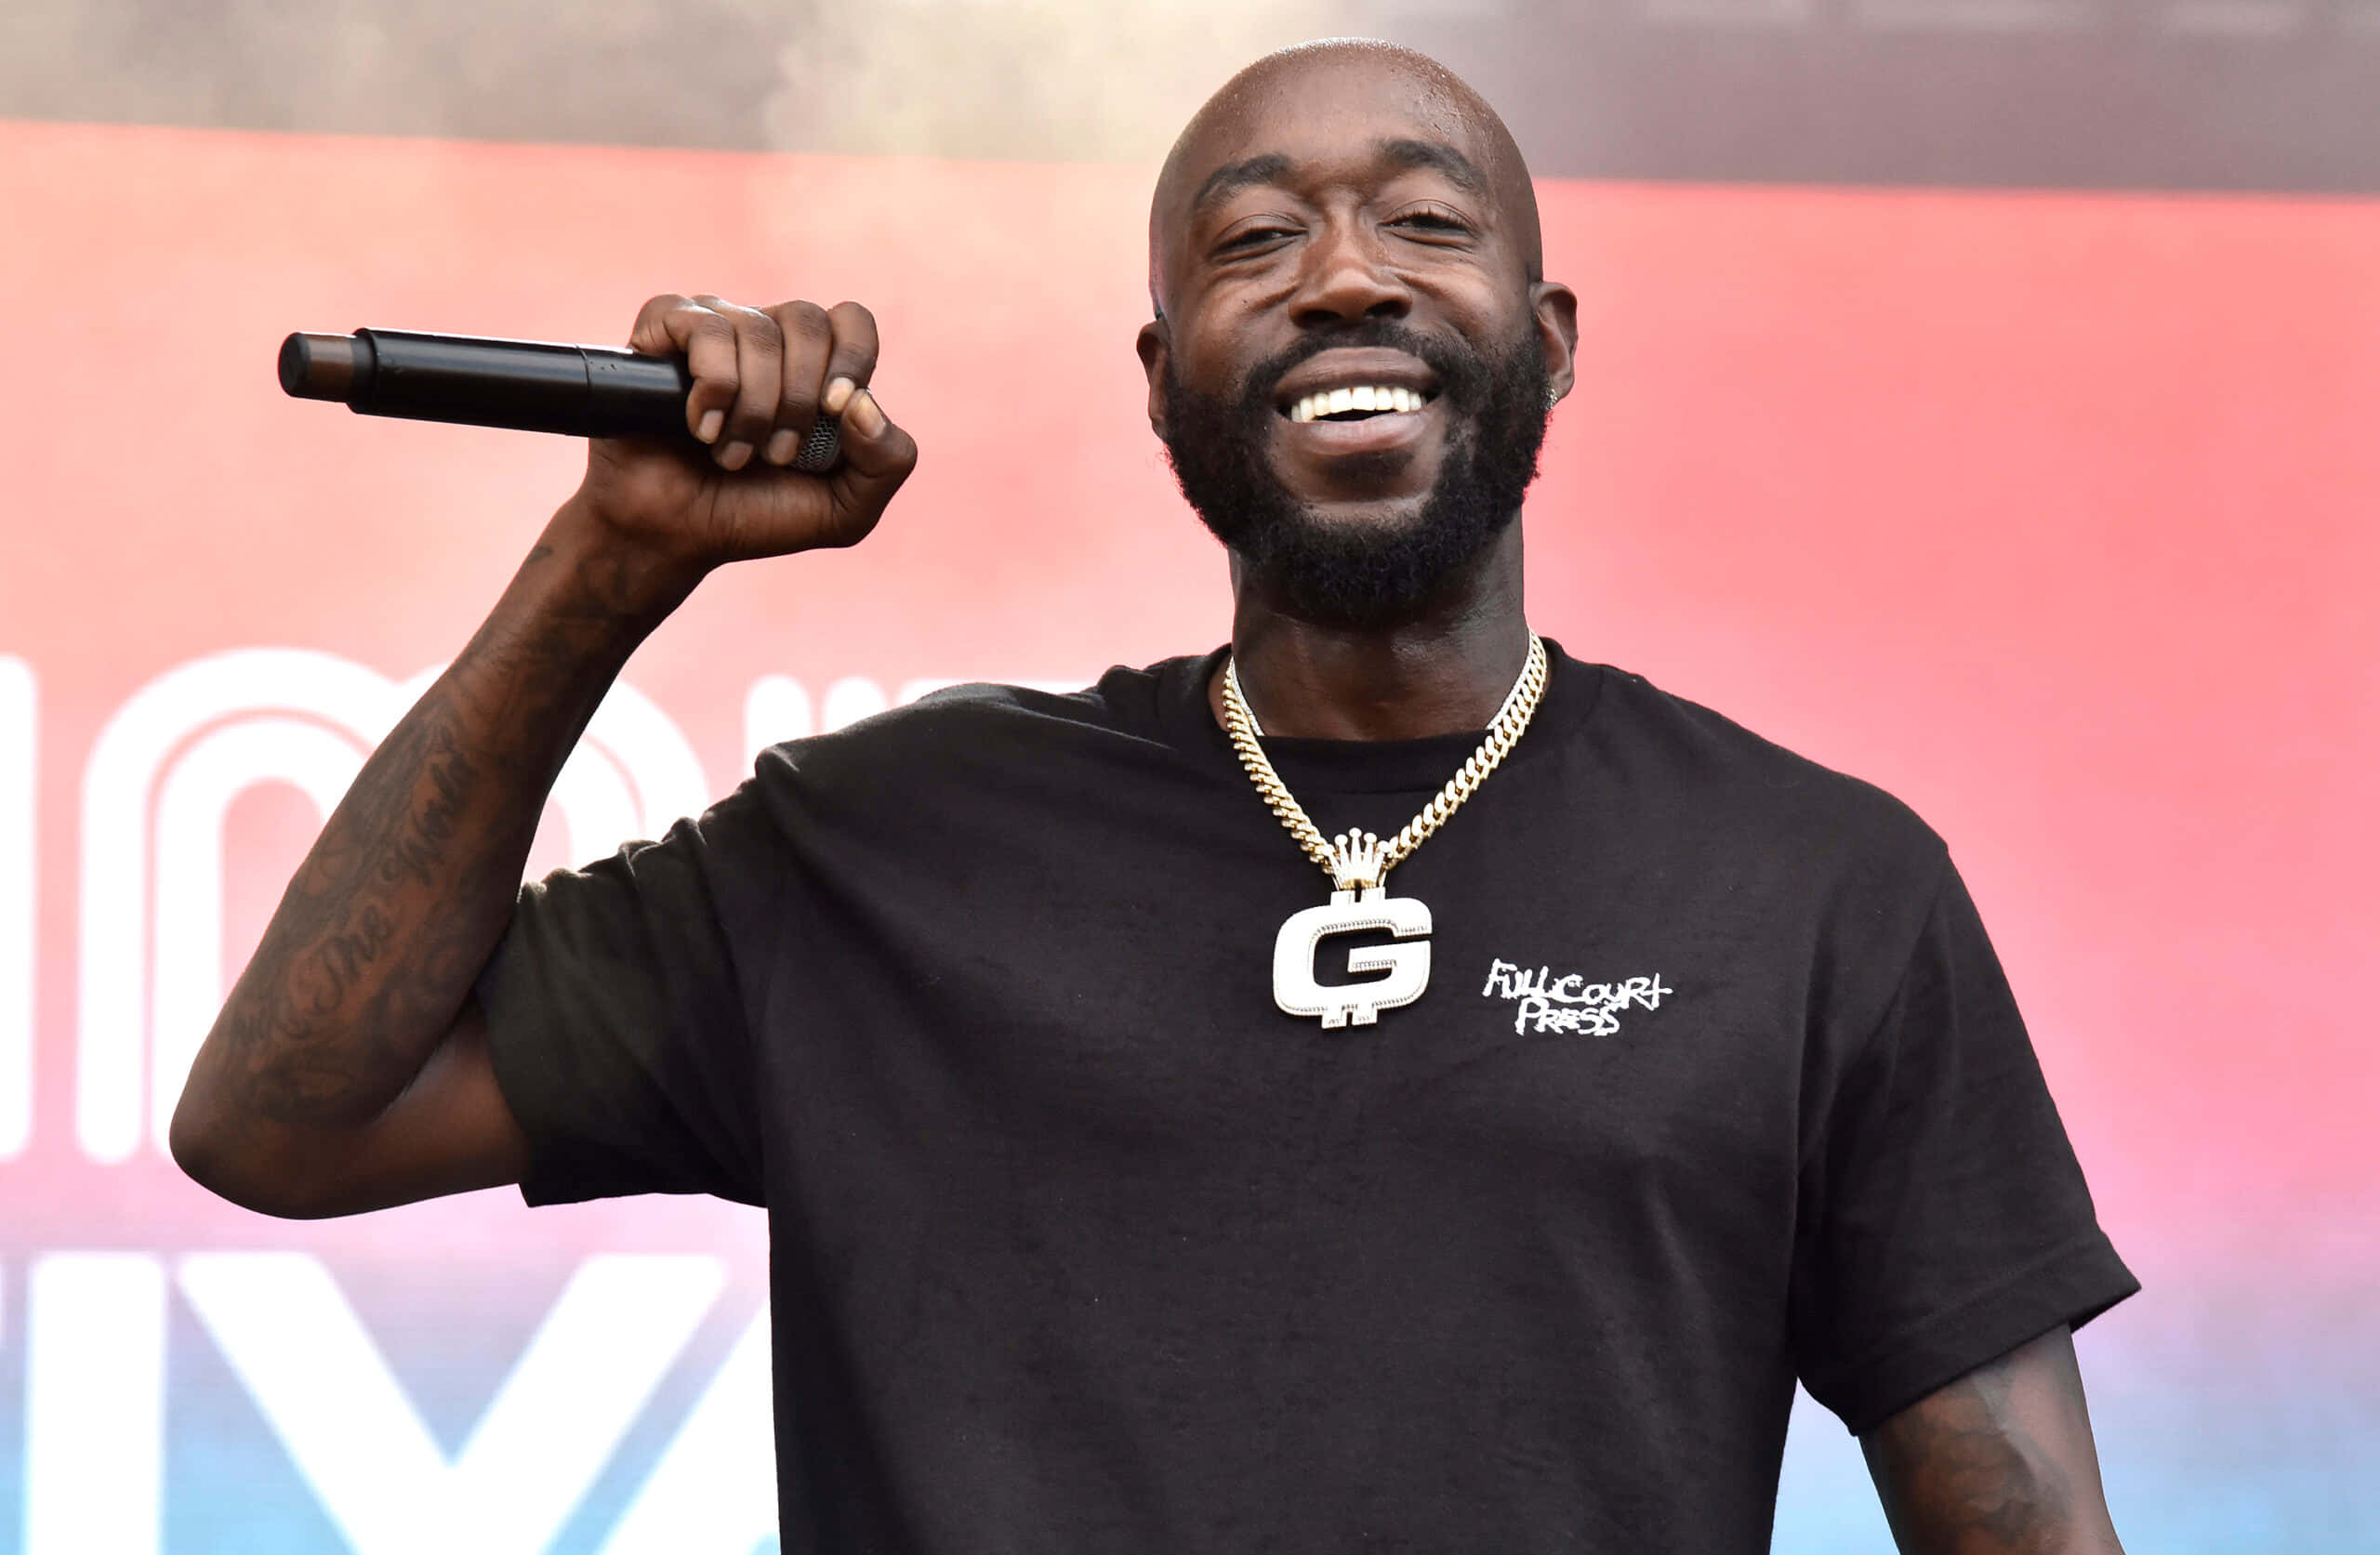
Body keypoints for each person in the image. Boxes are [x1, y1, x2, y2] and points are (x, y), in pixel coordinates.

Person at [174, 38, 2137, 1555]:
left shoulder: (1811, 888)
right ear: (1161, 375)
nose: (1343, 277)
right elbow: (285, 1116)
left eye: (1425, 222)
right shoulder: (883, 849)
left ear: (1545, 348)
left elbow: (2025, 1523)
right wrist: (614, 562)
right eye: (1252, 241)